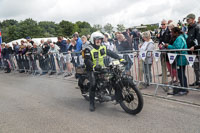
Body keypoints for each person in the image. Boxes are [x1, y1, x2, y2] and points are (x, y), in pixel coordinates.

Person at [83, 32, 126, 112]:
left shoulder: (102, 47)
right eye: (97, 39)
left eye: (100, 39)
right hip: (91, 69)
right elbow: (87, 60)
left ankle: (115, 96)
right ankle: (92, 103)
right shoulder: (88, 49)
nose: (99, 41)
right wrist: (93, 66)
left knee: (113, 78)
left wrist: (120, 59)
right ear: (93, 39)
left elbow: (111, 53)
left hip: (101, 67)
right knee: (93, 84)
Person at [165, 27, 188, 96]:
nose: (171, 34)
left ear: (176, 33)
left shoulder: (179, 38)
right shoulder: (179, 38)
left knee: (181, 74)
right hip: (180, 58)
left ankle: (184, 89)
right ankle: (183, 88)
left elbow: (178, 49)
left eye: (172, 32)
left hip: (181, 58)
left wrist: (168, 46)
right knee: (181, 74)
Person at [185, 14, 200, 88]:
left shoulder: (197, 27)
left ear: (193, 19)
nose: (187, 21)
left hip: (197, 52)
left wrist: (195, 47)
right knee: (195, 68)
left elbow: (198, 40)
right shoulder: (190, 28)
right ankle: (198, 81)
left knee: (198, 67)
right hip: (192, 52)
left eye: (188, 19)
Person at [158, 19, 171, 84]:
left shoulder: (169, 31)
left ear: (166, 24)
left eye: (164, 24)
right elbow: (160, 39)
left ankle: (173, 80)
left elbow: (169, 40)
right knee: (163, 64)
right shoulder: (161, 31)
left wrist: (164, 44)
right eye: (161, 24)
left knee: (169, 65)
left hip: (167, 50)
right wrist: (159, 44)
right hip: (161, 50)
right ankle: (164, 80)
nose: (162, 25)